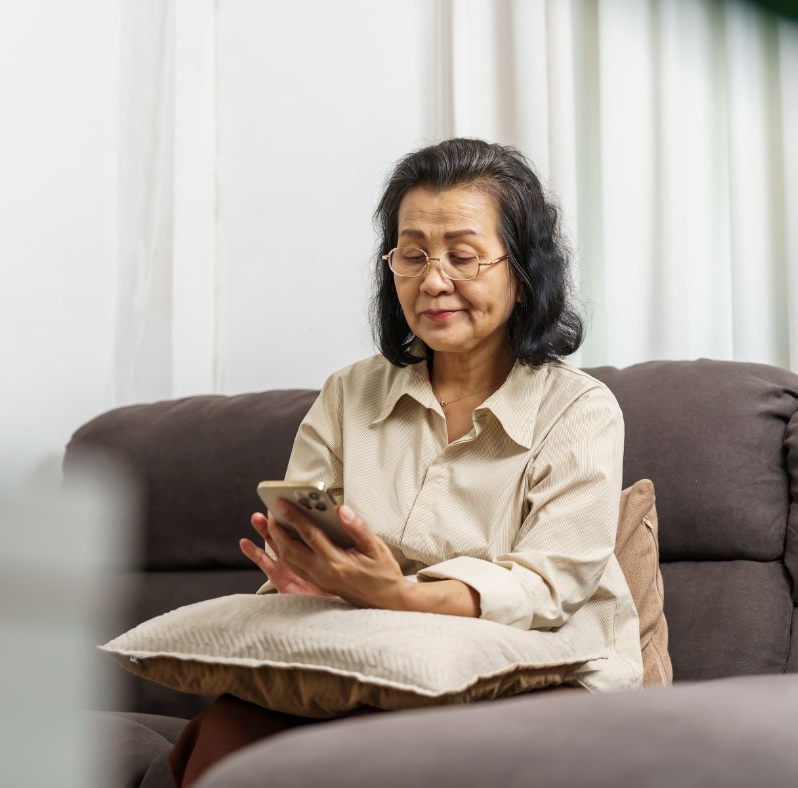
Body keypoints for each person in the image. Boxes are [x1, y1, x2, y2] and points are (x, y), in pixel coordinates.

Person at [169, 138, 643, 786]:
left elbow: (546, 589)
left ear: (524, 272)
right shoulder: (347, 395)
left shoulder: (580, 411)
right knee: (228, 732)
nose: (433, 280)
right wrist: (303, 572)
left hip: (530, 667)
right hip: (370, 661)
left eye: (463, 256)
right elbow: (308, 540)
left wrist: (396, 595)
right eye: (412, 255)